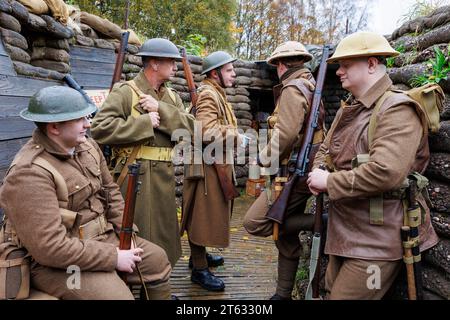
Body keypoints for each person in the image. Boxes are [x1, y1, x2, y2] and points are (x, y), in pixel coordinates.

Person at [0, 86, 174, 300]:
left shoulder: (87, 146)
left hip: (103, 238)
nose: (88, 124)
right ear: (54, 127)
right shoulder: (28, 173)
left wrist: (127, 234)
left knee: (157, 260)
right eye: (80, 119)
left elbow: (110, 191)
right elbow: (50, 249)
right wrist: (113, 257)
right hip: (58, 262)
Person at [307, 31, 439, 299]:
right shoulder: (351, 109)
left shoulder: (397, 109)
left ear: (371, 64)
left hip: (376, 241)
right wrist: (320, 169)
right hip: (344, 232)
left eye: (346, 65)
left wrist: (329, 182)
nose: (338, 72)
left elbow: (386, 172)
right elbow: (325, 149)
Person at [90, 38, 195, 267]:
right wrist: (144, 124)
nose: (176, 67)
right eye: (171, 62)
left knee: (165, 235)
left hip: (164, 179)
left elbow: (191, 129)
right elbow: (99, 128)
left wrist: (162, 111)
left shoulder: (172, 98)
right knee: (138, 236)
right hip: (136, 177)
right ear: (155, 64)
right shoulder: (126, 93)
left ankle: (159, 284)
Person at [243, 41, 325, 300]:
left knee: (254, 222)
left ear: (280, 65)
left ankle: (322, 222)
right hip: (299, 167)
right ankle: (282, 294)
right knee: (285, 237)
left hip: (296, 171)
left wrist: (262, 159)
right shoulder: (309, 84)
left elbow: (287, 133)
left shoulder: (293, 88)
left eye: (275, 65)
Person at [180, 51, 243, 291]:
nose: (234, 73)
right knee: (200, 219)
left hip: (214, 164)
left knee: (206, 217)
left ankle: (201, 257)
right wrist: (238, 136)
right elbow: (206, 131)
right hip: (206, 167)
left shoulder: (215, 93)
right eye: (229, 70)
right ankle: (199, 269)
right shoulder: (208, 95)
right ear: (215, 74)